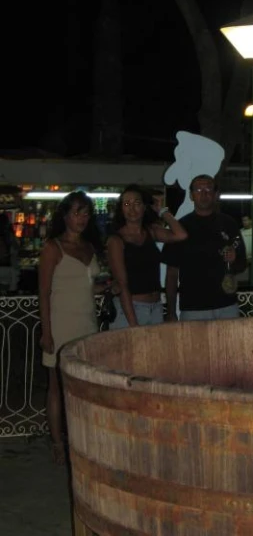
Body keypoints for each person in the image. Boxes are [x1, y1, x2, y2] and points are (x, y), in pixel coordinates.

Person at [38, 191, 105, 464]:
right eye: (77, 212)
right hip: (60, 322)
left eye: (86, 213)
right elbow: (43, 293)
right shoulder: (53, 248)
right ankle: (57, 441)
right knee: (56, 385)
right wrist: (46, 332)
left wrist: (105, 287)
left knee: (84, 383)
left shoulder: (89, 247)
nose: (81, 218)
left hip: (87, 322)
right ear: (65, 215)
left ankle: (82, 437)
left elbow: (87, 285)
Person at [162, 174, 247, 321]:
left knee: (230, 345)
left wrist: (234, 260)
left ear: (216, 195)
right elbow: (171, 274)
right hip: (193, 308)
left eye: (208, 189)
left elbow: (242, 265)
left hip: (227, 306)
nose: (204, 194)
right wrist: (170, 311)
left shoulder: (229, 224)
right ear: (191, 195)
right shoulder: (180, 227)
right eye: (199, 189)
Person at [107, 184, 187, 329]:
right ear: (121, 209)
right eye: (127, 204)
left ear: (144, 207)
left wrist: (161, 210)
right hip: (131, 308)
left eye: (137, 203)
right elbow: (122, 284)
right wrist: (133, 324)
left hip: (155, 307)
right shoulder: (116, 240)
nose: (132, 209)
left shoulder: (151, 231)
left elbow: (181, 235)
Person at [0, 212, 20, 295]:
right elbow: (16, 250)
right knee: (10, 299)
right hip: (10, 270)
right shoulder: (10, 237)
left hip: (7, 268)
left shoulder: (9, 237)